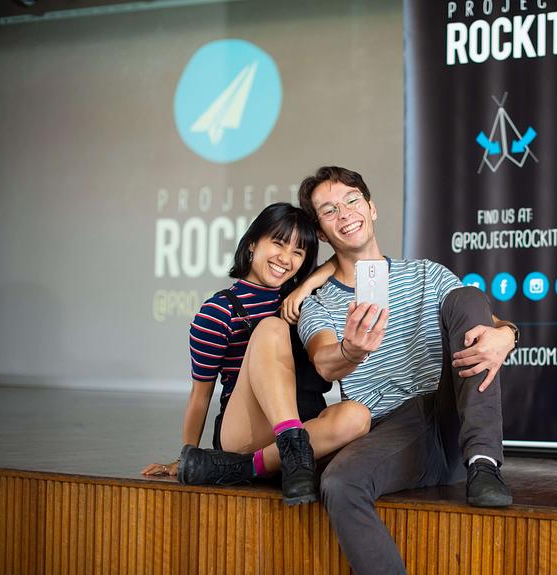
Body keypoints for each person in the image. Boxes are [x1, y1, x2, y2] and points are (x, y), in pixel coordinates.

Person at [296, 166, 518, 574]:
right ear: (322, 233)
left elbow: (484, 323)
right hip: (392, 433)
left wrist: (507, 334)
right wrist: (350, 350)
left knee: (468, 296)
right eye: (329, 210)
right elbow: (324, 361)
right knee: (340, 484)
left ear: (371, 208)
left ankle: (484, 463)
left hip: (449, 417)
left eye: (351, 200)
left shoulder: (426, 273)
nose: (344, 213)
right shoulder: (318, 302)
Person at [141, 202, 371, 505]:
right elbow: (200, 396)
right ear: (252, 243)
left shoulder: (303, 301)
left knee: (358, 416)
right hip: (245, 430)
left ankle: (246, 467)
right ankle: (288, 449)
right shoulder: (218, 312)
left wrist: (306, 287)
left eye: (298, 252)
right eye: (278, 243)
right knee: (272, 328)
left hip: (303, 430)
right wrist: (186, 457)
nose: (285, 258)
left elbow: (344, 261)